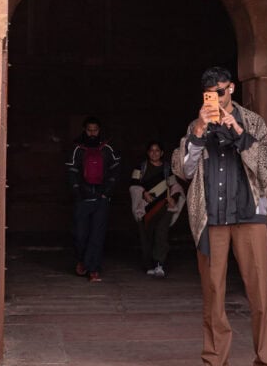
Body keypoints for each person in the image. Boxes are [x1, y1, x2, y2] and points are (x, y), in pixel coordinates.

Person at [172, 66, 267, 366]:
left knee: (260, 296)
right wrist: (199, 133)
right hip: (212, 219)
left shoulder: (253, 122)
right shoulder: (197, 125)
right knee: (213, 296)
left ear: (231, 88)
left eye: (219, 92)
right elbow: (181, 170)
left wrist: (238, 132)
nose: (215, 99)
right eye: (208, 94)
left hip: (249, 217)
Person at [66, 116, 120, 283]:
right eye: (89, 130)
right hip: (83, 198)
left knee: (97, 235)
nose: (92, 133)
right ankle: (82, 261)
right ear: (84, 130)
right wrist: (77, 193)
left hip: (101, 198)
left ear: (99, 130)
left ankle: (93, 269)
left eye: (95, 130)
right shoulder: (77, 149)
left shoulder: (108, 148)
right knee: (80, 234)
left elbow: (115, 171)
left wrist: (106, 193)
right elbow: (71, 172)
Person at [129, 140, 184, 277]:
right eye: (151, 150)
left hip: (164, 207)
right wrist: (143, 193)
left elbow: (175, 186)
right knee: (146, 235)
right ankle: (149, 264)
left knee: (161, 232)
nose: (154, 153)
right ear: (148, 153)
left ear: (162, 153)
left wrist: (174, 198)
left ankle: (160, 264)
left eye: (157, 150)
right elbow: (133, 186)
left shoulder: (166, 169)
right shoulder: (140, 168)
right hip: (145, 208)